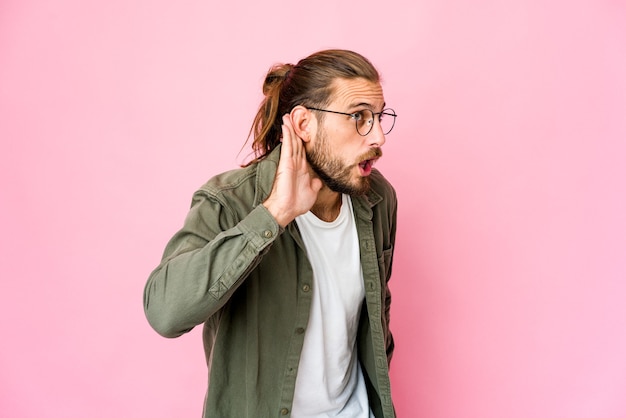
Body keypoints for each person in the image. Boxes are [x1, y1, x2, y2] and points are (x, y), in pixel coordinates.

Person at [143, 49, 398, 418]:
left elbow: (376, 319)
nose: (378, 136)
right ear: (303, 123)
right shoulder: (230, 201)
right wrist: (274, 215)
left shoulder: (377, 199)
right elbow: (164, 312)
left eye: (378, 116)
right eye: (359, 116)